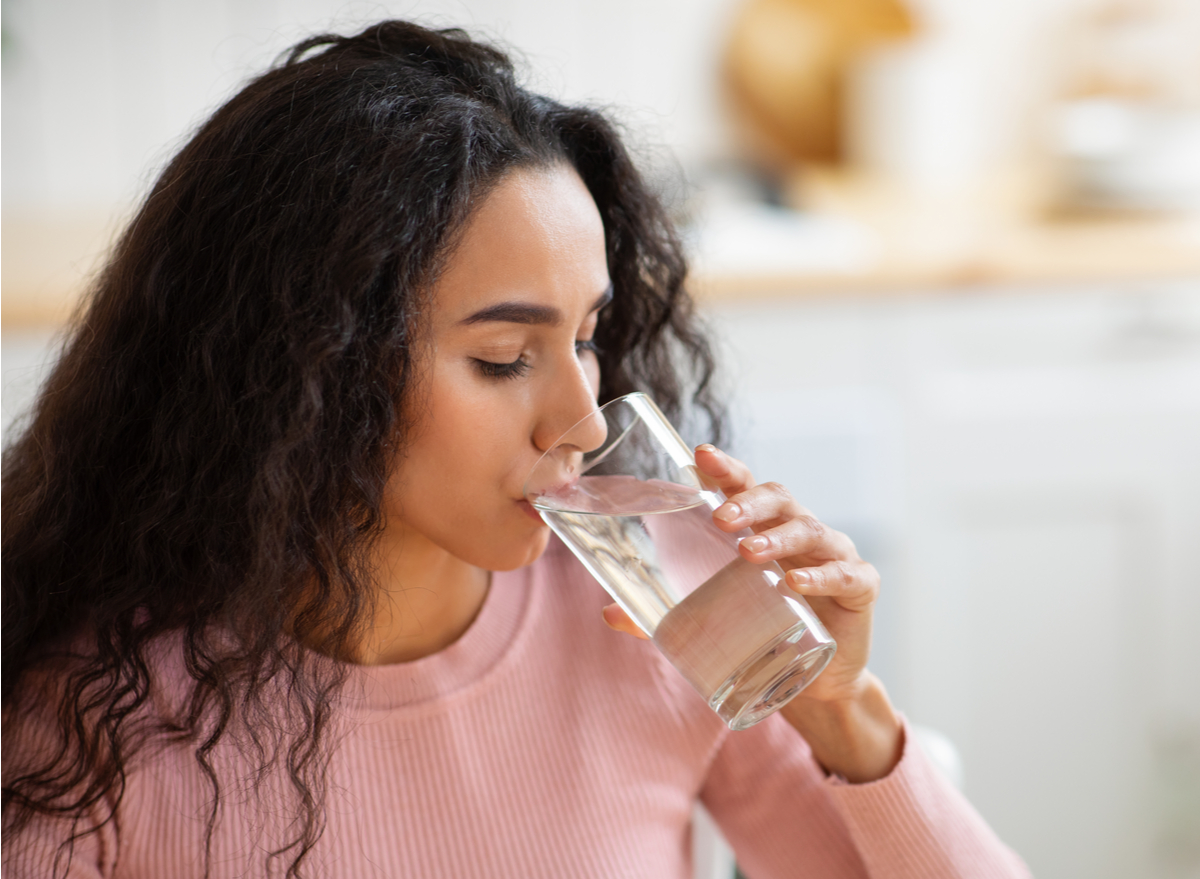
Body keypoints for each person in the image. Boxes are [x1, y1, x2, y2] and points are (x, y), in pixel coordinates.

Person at [1, 20, 1030, 879]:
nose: (583, 422)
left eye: (586, 338)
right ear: (300, 369)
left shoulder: (662, 618)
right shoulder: (96, 713)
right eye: (503, 358)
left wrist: (844, 713)